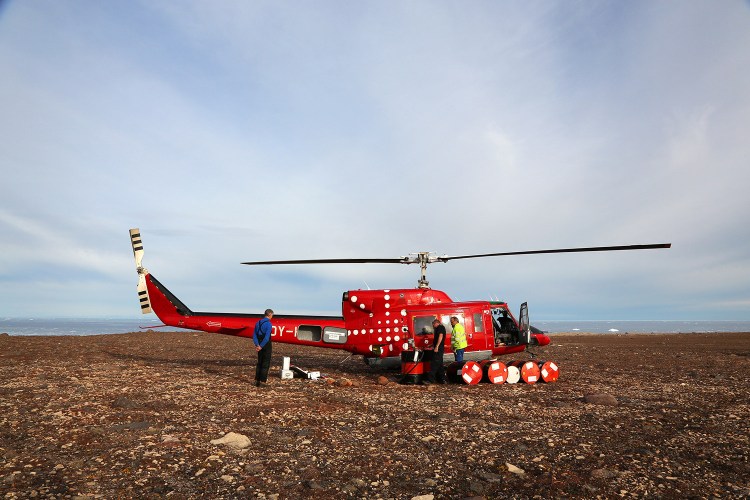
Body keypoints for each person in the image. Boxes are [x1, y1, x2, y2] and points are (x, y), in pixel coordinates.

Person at [253, 309, 274, 387]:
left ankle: (257, 381)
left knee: (259, 362)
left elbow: (254, 335)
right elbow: (267, 337)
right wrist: (261, 346)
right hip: (266, 344)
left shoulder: (257, 323)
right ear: (269, 314)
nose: (272, 317)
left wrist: (257, 345)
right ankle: (262, 382)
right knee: (265, 363)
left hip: (258, 343)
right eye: (272, 315)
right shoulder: (269, 324)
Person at [425, 318, 446, 384]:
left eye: (433, 325)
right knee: (440, 364)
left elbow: (441, 336)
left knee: (434, 363)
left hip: (439, 348)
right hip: (439, 347)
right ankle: (441, 379)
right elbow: (437, 339)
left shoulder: (440, 328)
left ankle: (430, 379)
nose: (433, 326)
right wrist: (432, 345)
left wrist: (436, 346)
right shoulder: (439, 328)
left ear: (436, 323)